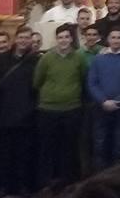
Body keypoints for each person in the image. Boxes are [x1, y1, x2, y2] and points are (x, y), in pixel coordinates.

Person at [34, 24, 88, 191]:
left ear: (71, 39)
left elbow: (83, 78)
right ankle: (45, 183)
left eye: (66, 37)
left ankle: (67, 183)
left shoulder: (79, 58)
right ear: (56, 39)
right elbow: (37, 81)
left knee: (69, 148)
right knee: (46, 148)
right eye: (60, 37)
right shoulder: (46, 58)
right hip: (48, 110)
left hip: (72, 109)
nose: (63, 40)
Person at [0, 26, 38, 197]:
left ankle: (21, 186)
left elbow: (36, 87)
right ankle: (3, 185)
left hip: (26, 113)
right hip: (5, 113)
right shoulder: (1, 59)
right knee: (4, 154)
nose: (24, 41)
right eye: (21, 37)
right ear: (15, 39)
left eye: (27, 38)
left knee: (23, 154)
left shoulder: (35, 60)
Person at [89, 28, 120, 169]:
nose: (116, 40)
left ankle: (117, 176)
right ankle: (100, 177)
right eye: (113, 37)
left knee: (119, 144)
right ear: (108, 40)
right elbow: (92, 83)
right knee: (100, 143)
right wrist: (103, 101)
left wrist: (118, 101)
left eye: (119, 37)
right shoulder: (98, 59)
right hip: (100, 107)